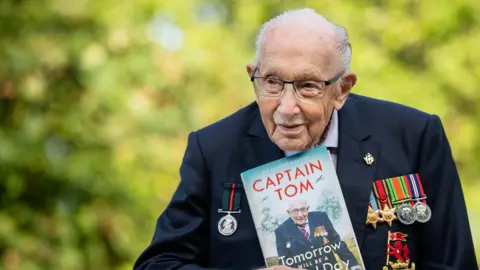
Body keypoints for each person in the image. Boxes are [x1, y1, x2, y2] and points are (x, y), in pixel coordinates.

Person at [133, 8, 477, 270]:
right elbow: (158, 264)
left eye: (308, 86)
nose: (286, 108)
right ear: (252, 75)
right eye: (271, 82)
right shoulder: (213, 149)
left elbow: (454, 262)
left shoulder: (414, 136)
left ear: (342, 89)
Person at [274, 199, 361, 269]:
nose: (300, 215)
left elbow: (336, 242)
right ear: (289, 212)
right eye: (295, 211)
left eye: (303, 209)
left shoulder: (321, 217)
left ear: (308, 208)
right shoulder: (280, 231)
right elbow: (285, 259)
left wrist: (353, 264)